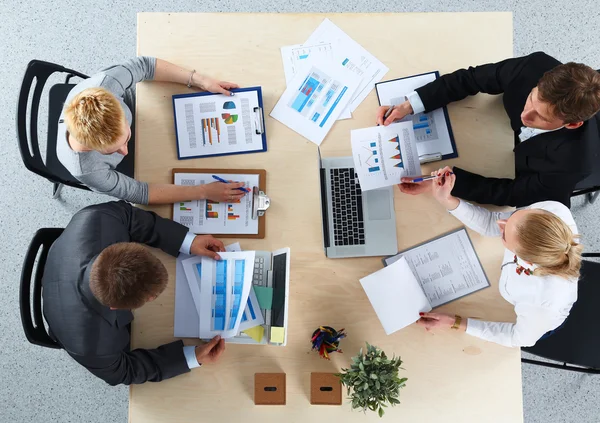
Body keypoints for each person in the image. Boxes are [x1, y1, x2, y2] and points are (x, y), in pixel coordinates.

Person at [376, 52, 600, 208]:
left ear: (572, 124)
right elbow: (470, 79)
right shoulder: (534, 67)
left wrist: (448, 185)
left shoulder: (573, 165)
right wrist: (410, 105)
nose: (525, 115)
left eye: (541, 117)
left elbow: (511, 193)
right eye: (532, 98)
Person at [42, 200, 227, 385]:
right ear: (115, 307)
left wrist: (187, 241)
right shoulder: (93, 347)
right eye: (152, 298)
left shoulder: (99, 218)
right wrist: (191, 358)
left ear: (122, 246)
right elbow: (125, 372)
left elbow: (130, 216)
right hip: (69, 319)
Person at [416, 167, 583, 348]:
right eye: (513, 217)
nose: (499, 223)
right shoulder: (554, 210)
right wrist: (447, 200)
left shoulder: (543, 304)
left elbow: (518, 339)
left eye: (503, 235)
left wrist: (455, 322)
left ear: (524, 259)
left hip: (535, 322)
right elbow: (490, 222)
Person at [58, 57, 246, 205]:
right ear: (89, 147)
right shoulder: (88, 171)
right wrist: (204, 192)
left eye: (125, 139)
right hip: (140, 162)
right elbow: (139, 193)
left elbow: (145, 65)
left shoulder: (106, 84)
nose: (125, 151)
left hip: (148, 116)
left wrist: (201, 81)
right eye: (112, 151)